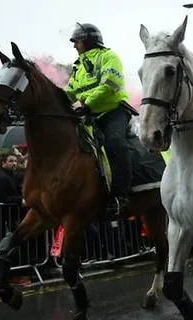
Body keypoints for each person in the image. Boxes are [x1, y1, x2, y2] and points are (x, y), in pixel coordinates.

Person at [65, 22, 135, 216]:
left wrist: (87, 105)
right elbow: (69, 93)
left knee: (115, 143)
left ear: (88, 40)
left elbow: (109, 85)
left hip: (114, 112)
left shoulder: (108, 56)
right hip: (89, 115)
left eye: (77, 41)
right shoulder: (78, 67)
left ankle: (121, 196)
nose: (74, 46)